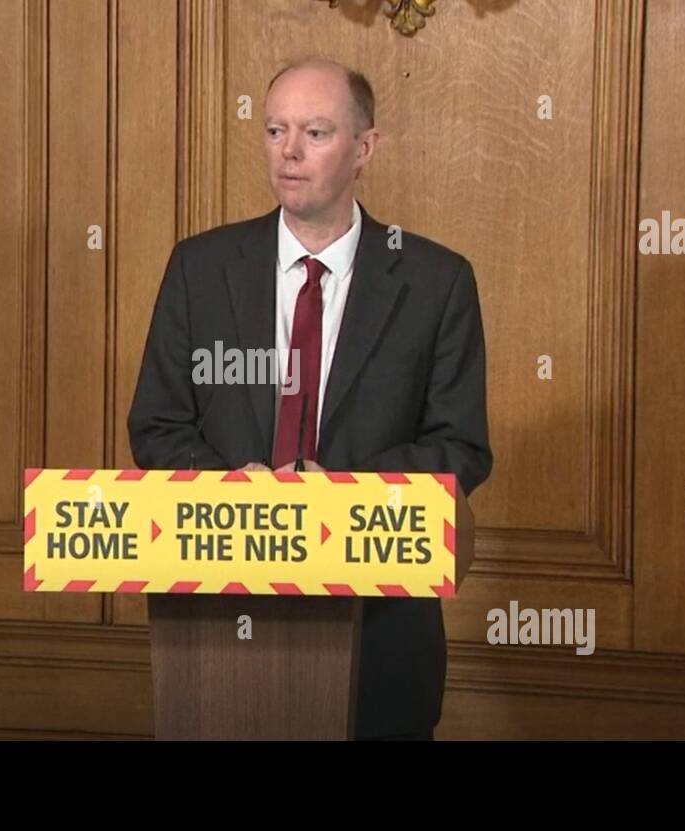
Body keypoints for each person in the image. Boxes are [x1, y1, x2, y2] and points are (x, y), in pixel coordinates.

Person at [127, 57, 493, 740]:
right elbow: (157, 422)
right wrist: (235, 490)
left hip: (381, 636)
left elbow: (460, 444)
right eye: (274, 130)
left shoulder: (437, 281)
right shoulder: (199, 268)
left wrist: (341, 498)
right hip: (217, 625)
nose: (288, 152)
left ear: (364, 148)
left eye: (315, 133)